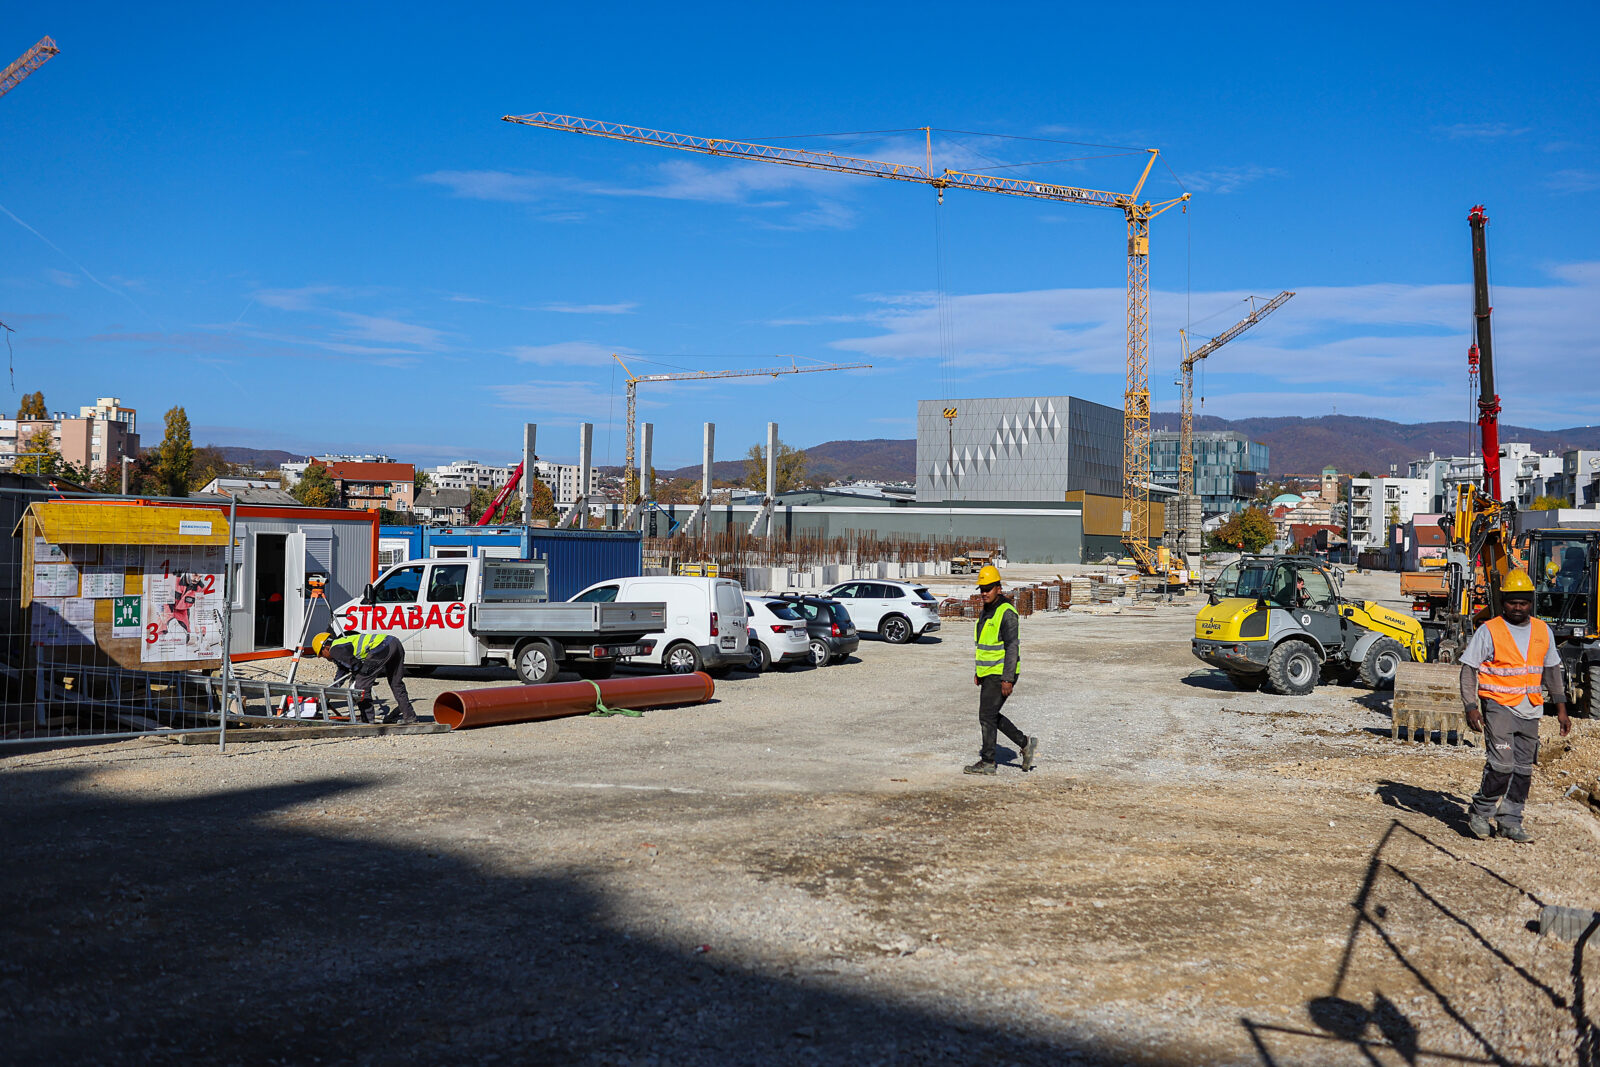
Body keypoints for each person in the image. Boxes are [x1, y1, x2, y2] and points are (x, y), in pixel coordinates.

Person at [1460, 570, 1571, 843]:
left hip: (1531, 708)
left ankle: (1510, 821)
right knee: (1501, 765)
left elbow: (1552, 670)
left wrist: (1561, 708)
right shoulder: (1490, 630)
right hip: (1498, 707)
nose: (1518, 607)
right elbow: (1468, 669)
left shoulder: (1543, 631)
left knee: (1523, 770)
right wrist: (1471, 706)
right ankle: (1480, 811)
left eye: (1523, 602)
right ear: (1503, 601)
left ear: (1531, 602)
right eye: (1512, 602)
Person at [965, 564, 1037, 776]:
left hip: (1001, 673)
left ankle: (988, 762)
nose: (984, 592)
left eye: (988, 588)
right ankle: (1025, 743)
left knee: (986, 715)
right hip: (989, 673)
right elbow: (985, 646)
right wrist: (979, 672)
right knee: (990, 714)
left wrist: (1007, 678)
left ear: (998, 587)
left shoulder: (1006, 613)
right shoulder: (987, 611)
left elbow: (1012, 647)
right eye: (981, 589)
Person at [312, 631, 418, 725]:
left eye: (322, 654)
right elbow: (342, 671)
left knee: (361, 687)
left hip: (380, 648)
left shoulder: (335, 650)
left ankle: (367, 720)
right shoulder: (340, 645)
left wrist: (358, 677)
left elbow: (355, 665)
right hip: (394, 643)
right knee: (396, 683)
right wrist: (332, 690)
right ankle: (410, 717)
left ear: (326, 648)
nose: (324, 658)